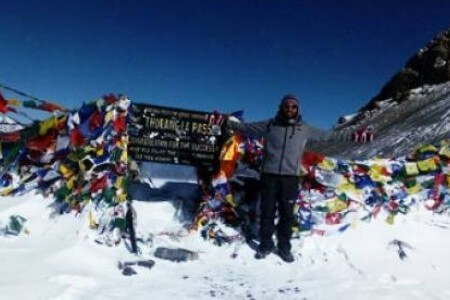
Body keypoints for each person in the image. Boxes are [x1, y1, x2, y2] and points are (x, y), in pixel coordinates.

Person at [226, 94, 372, 263]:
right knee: (267, 213)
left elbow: (329, 136)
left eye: (293, 106)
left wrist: (354, 135)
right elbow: (245, 128)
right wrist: (223, 121)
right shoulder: (269, 125)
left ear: (297, 109)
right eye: (286, 106)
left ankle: (284, 248)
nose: (290, 109)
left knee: (287, 215)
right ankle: (266, 245)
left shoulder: (305, 128)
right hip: (269, 177)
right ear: (281, 107)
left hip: (290, 179)